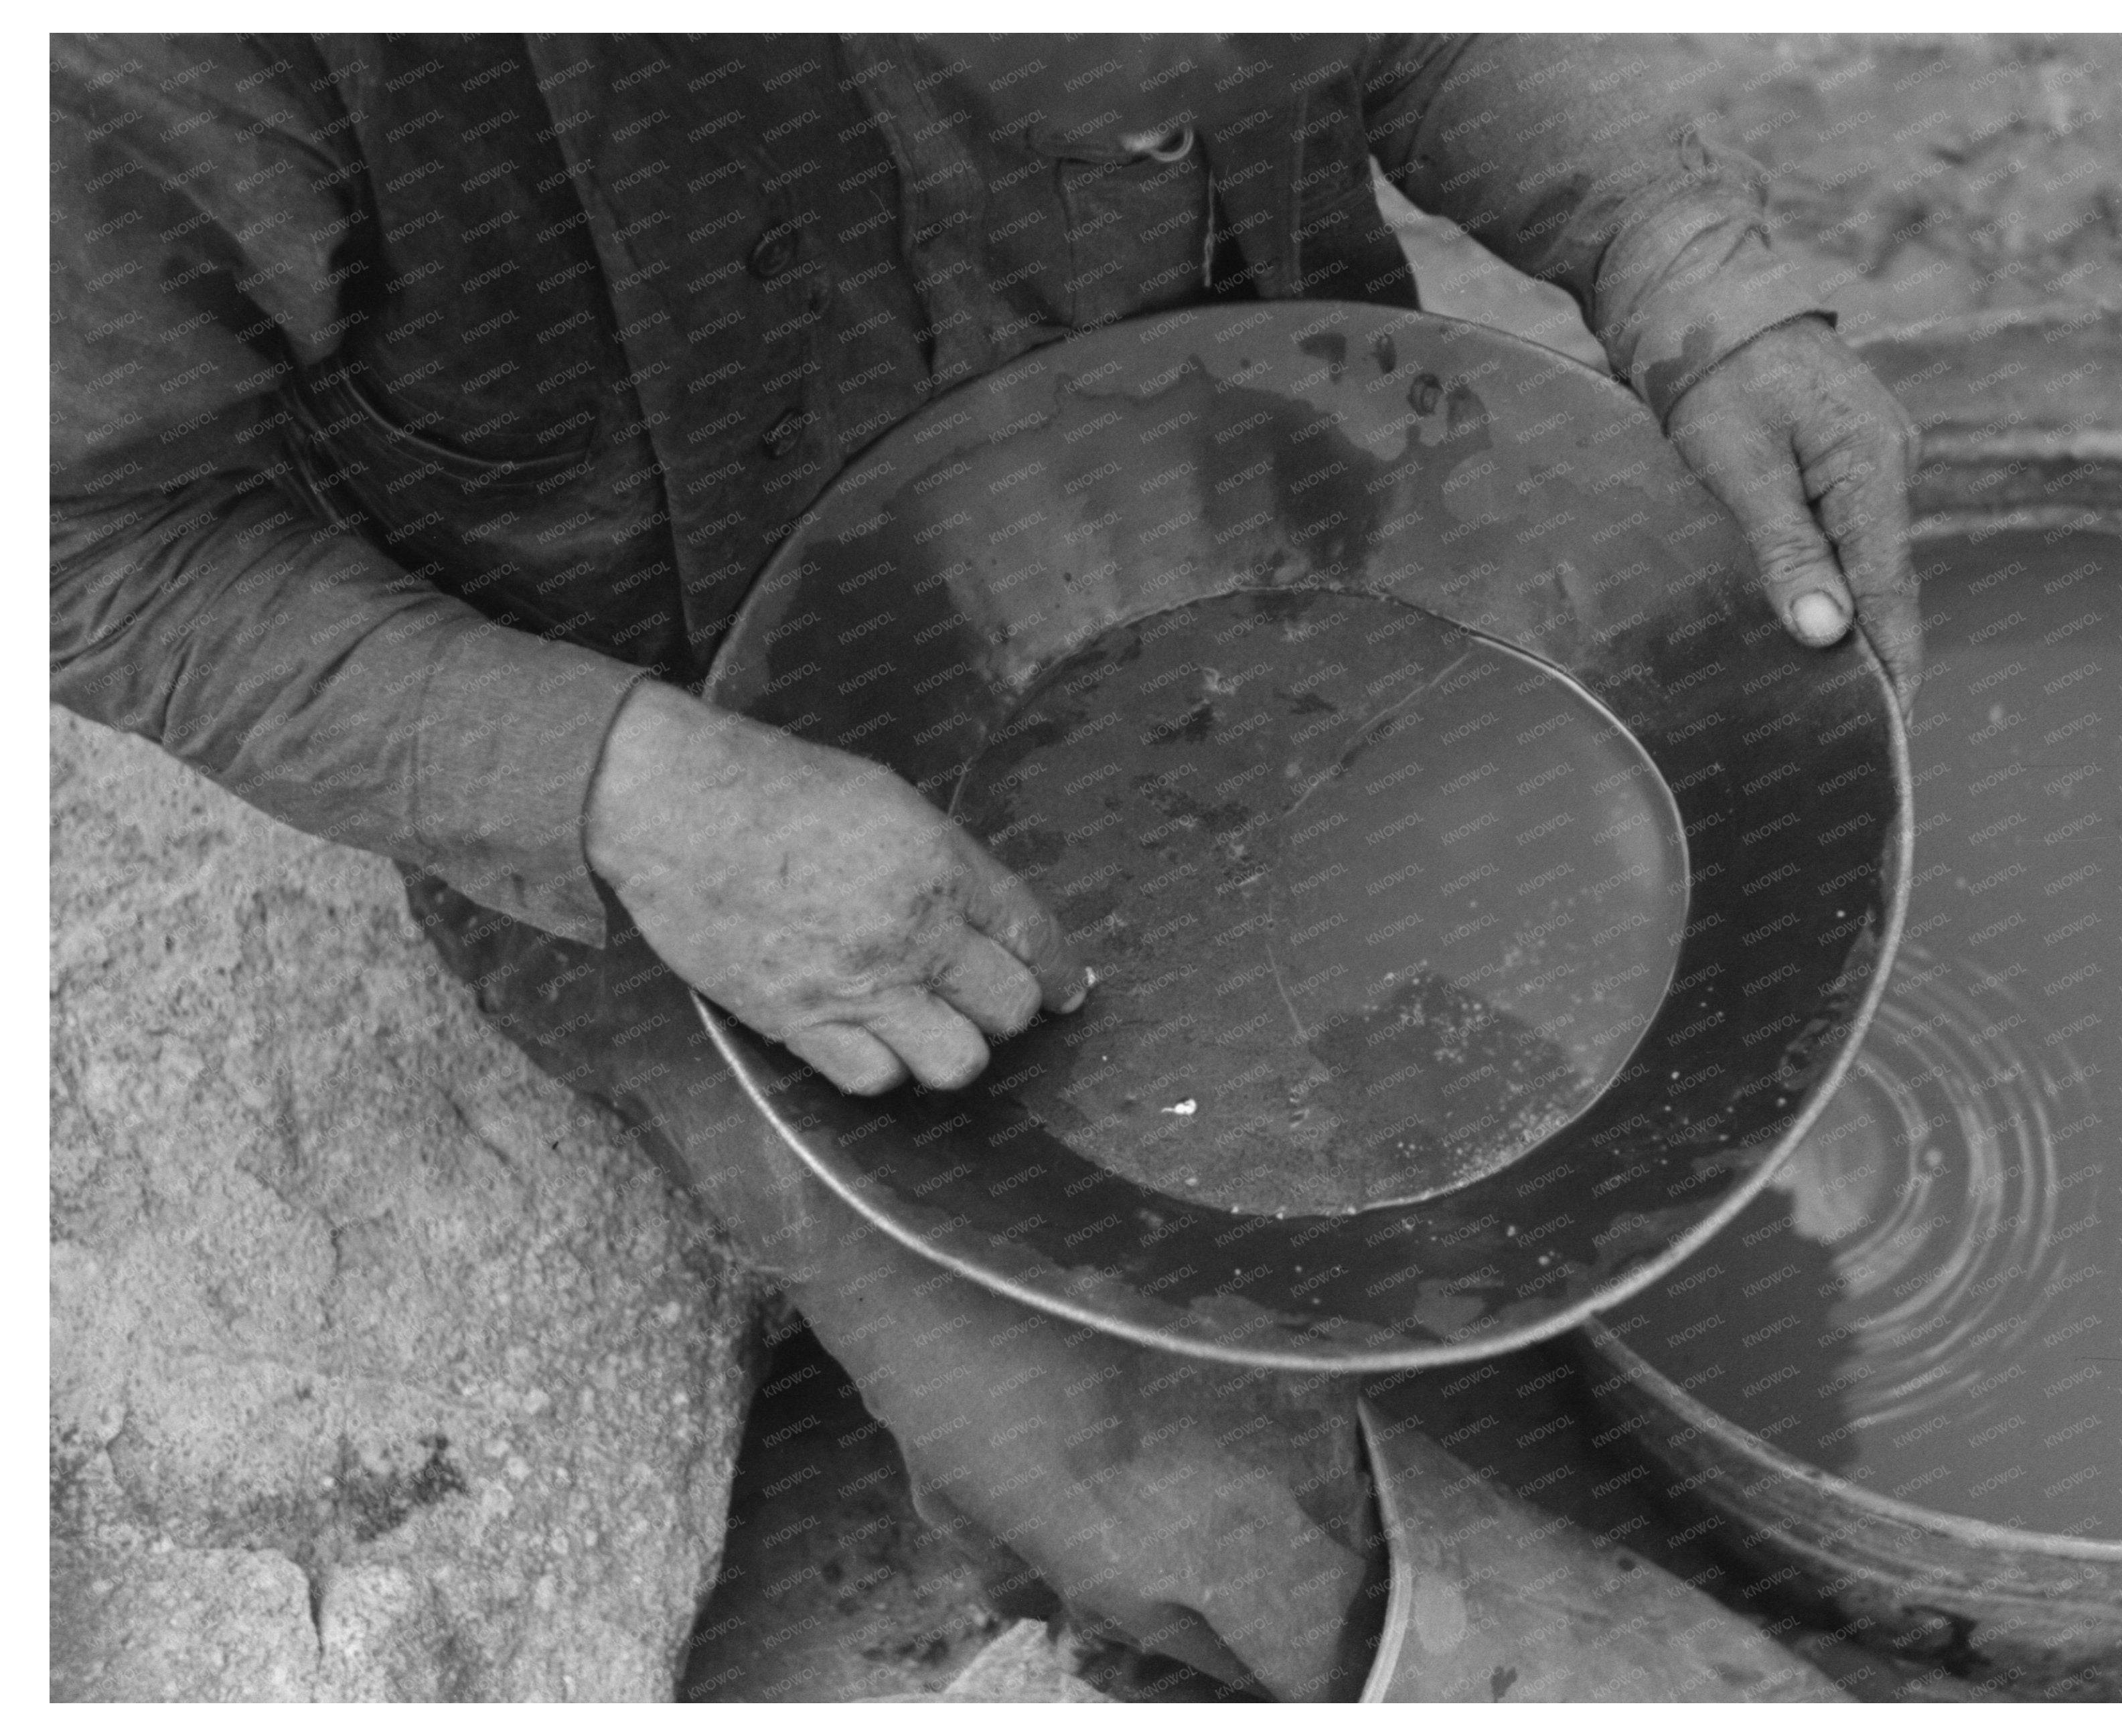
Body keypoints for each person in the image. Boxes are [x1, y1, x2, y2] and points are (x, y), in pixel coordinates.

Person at [52, 33, 1920, 1700]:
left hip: (1302, 543)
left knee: (1700, 919)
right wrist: (624, 784)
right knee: (1161, 1480)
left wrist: (1690, 273)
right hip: (696, 759)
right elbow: (92, 550)